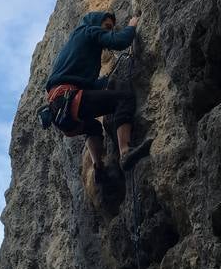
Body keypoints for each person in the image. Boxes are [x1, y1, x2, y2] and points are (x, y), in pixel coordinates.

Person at [46, 10, 152, 179]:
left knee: (93, 127)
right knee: (123, 97)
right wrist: (132, 25)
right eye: (107, 26)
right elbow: (120, 41)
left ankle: (99, 169)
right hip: (70, 99)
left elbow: (87, 84)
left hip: (61, 112)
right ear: (96, 22)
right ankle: (125, 152)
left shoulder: (74, 44)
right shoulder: (89, 31)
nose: (108, 31)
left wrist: (105, 80)